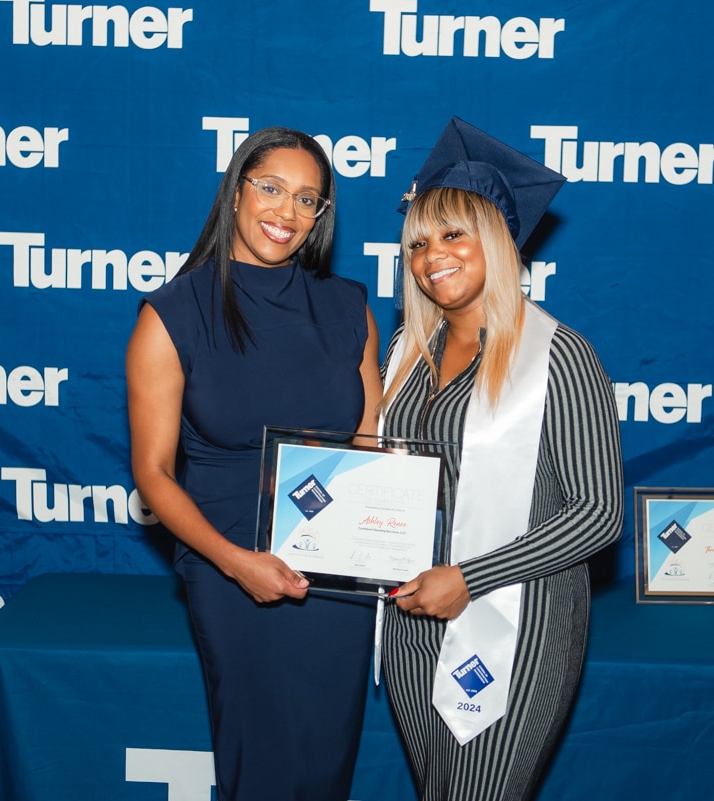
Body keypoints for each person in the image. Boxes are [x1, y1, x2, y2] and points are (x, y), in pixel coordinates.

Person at [126, 126, 382, 801]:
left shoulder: (349, 306)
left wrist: (380, 541)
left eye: (307, 199)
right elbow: (153, 474)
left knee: (325, 760)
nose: (286, 211)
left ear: (321, 215)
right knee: (260, 761)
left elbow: (367, 438)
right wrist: (236, 562)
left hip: (337, 565)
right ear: (237, 191)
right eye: (271, 188)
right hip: (229, 565)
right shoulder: (172, 314)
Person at [379, 117, 625, 800]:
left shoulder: (559, 356)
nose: (433, 257)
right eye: (418, 243)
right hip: (411, 615)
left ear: (496, 238)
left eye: (453, 235)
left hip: (516, 619)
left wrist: (471, 576)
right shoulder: (405, 354)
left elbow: (598, 514)